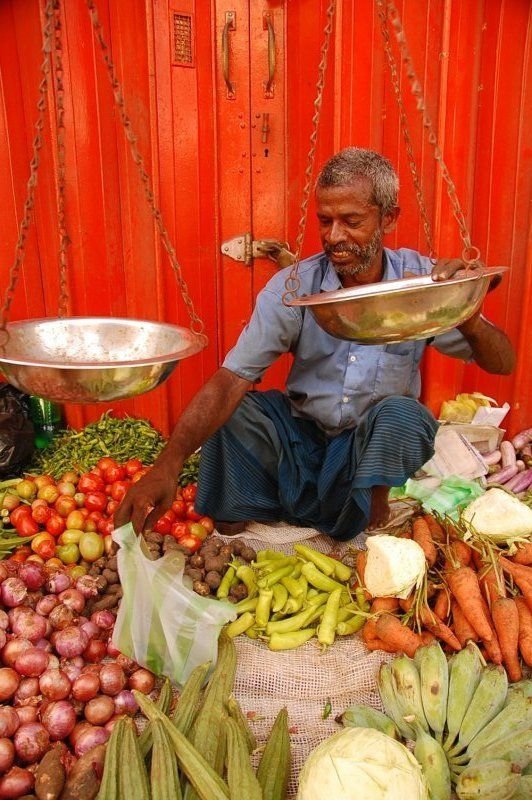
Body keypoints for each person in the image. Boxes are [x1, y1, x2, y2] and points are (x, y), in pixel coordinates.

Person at [115, 147, 515, 541]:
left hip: (365, 448)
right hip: (302, 437)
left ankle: (371, 504)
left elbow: (503, 363)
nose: (335, 236)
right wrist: (168, 464)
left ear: (388, 218)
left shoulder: (423, 285)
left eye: (351, 220)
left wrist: (467, 308)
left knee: (404, 416)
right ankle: (241, 522)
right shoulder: (295, 288)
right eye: (325, 221)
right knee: (235, 407)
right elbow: (230, 378)